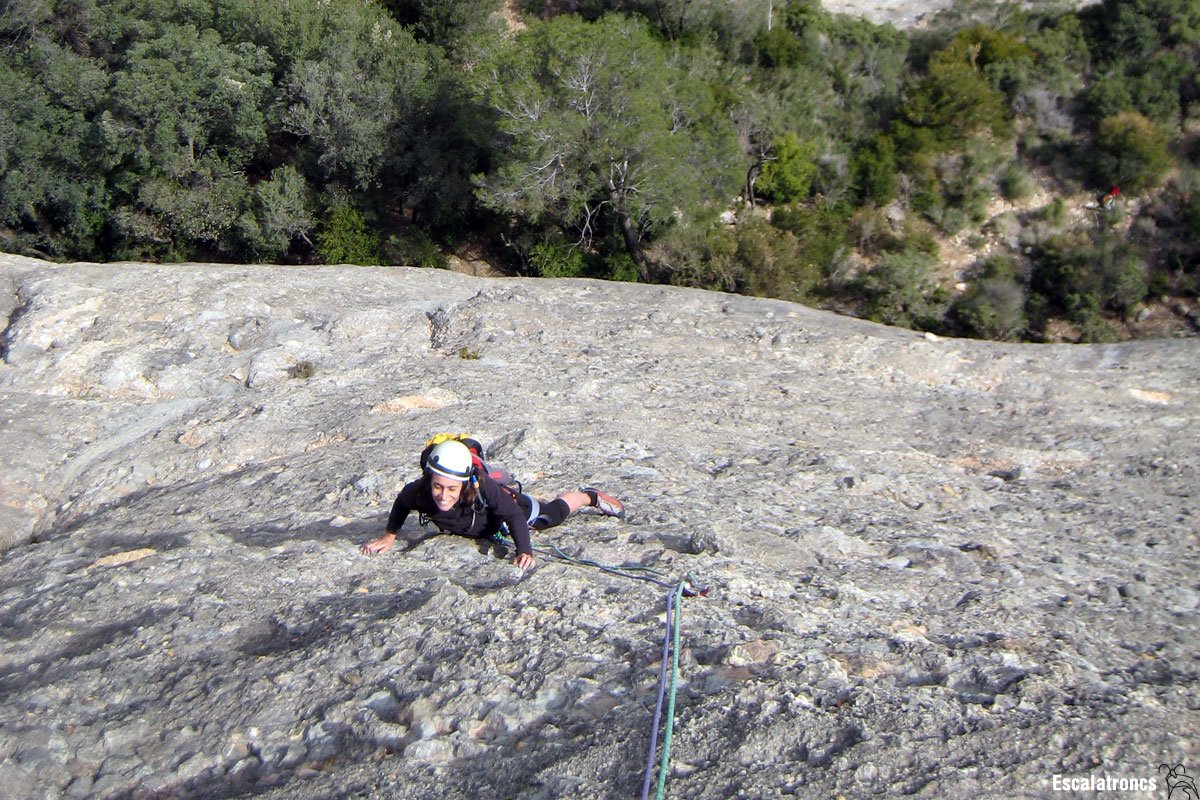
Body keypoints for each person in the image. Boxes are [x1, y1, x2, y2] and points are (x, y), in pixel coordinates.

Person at [360, 439, 625, 570]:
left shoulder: (482, 487)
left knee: (550, 515)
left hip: (508, 516)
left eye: (452, 489)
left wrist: (524, 551)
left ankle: (588, 496)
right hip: (478, 527)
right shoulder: (419, 490)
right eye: (438, 487)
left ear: (464, 484)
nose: (443, 495)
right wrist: (389, 535)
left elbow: (513, 514)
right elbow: (402, 502)